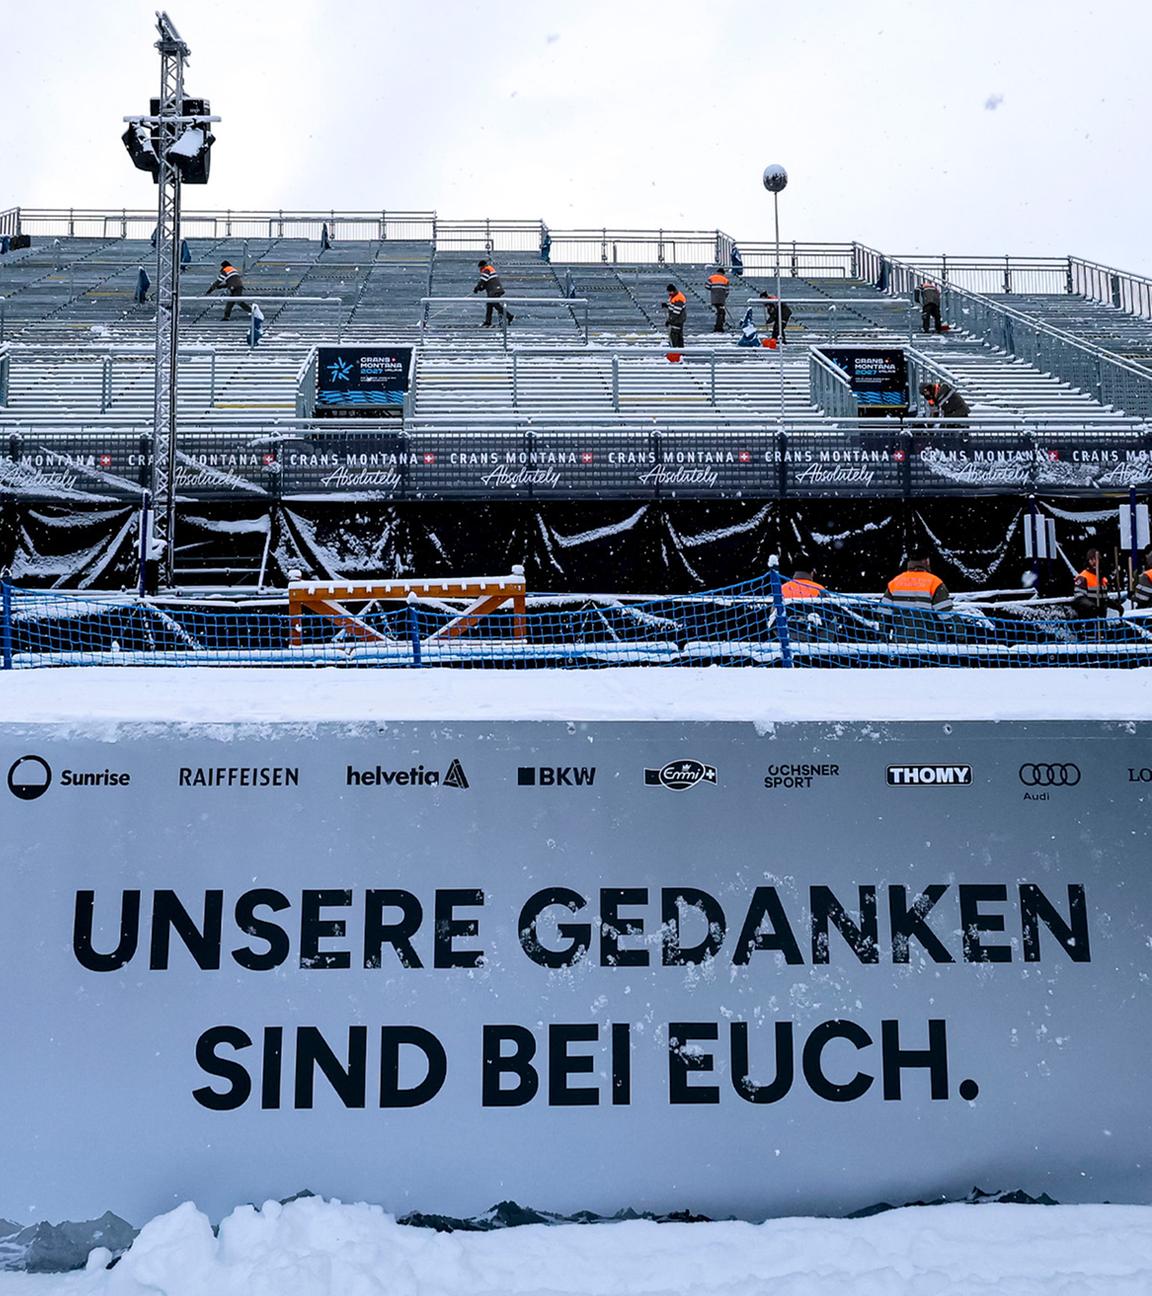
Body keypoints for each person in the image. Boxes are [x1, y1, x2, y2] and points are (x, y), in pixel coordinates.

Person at [883, 554, 953, 611]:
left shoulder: (895, 582)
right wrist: (961, 627)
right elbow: (947, 614)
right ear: (927, 562)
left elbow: (884, 612)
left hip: (901, 627)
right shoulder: (934, 582)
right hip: (926, 627)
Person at [1071, 548, 1114, 618]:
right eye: (1091, 559)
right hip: (1088, 617)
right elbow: (1079, 597)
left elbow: (1104, 598)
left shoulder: (1102, 578)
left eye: (1096, 559)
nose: (1094, 562)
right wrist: (1091, 606)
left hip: (1101, 616)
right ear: (1088, 561)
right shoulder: (1083, 577)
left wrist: (1115, 606)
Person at [473, 260, 514, 327]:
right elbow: (486, 283)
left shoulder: (486, 270)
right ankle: (488, 321)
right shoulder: (489, 269)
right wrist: (480, 288)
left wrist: (477, 288)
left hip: (494, 291)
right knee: (489, 305)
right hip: (495, 290)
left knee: (495, 305)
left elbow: (482, 280)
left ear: (481, 266)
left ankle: (509, 316)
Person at [706, 267, 730, 333]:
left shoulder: (711, 278)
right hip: (721, 299)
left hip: (714, 299)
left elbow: (707, 286)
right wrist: (724, 296)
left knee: (721, 312)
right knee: (721, 313)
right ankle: (718, 327)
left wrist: (714, 290)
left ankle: (719, 326)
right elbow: (727, 292)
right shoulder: (725, 280)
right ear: (723, 273)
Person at [665, 284, 687, 348]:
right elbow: (672, 304)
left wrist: (669, 320)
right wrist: (667, 305)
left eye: (669, 292)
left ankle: (676, 351)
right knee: (678, 336)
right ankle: (680, 351)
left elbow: (676, 312)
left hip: (677, 320)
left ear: (672, 291)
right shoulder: (674, 296)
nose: (668, 293)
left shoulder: (679, 298)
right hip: (676, 319)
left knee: (674, 335)